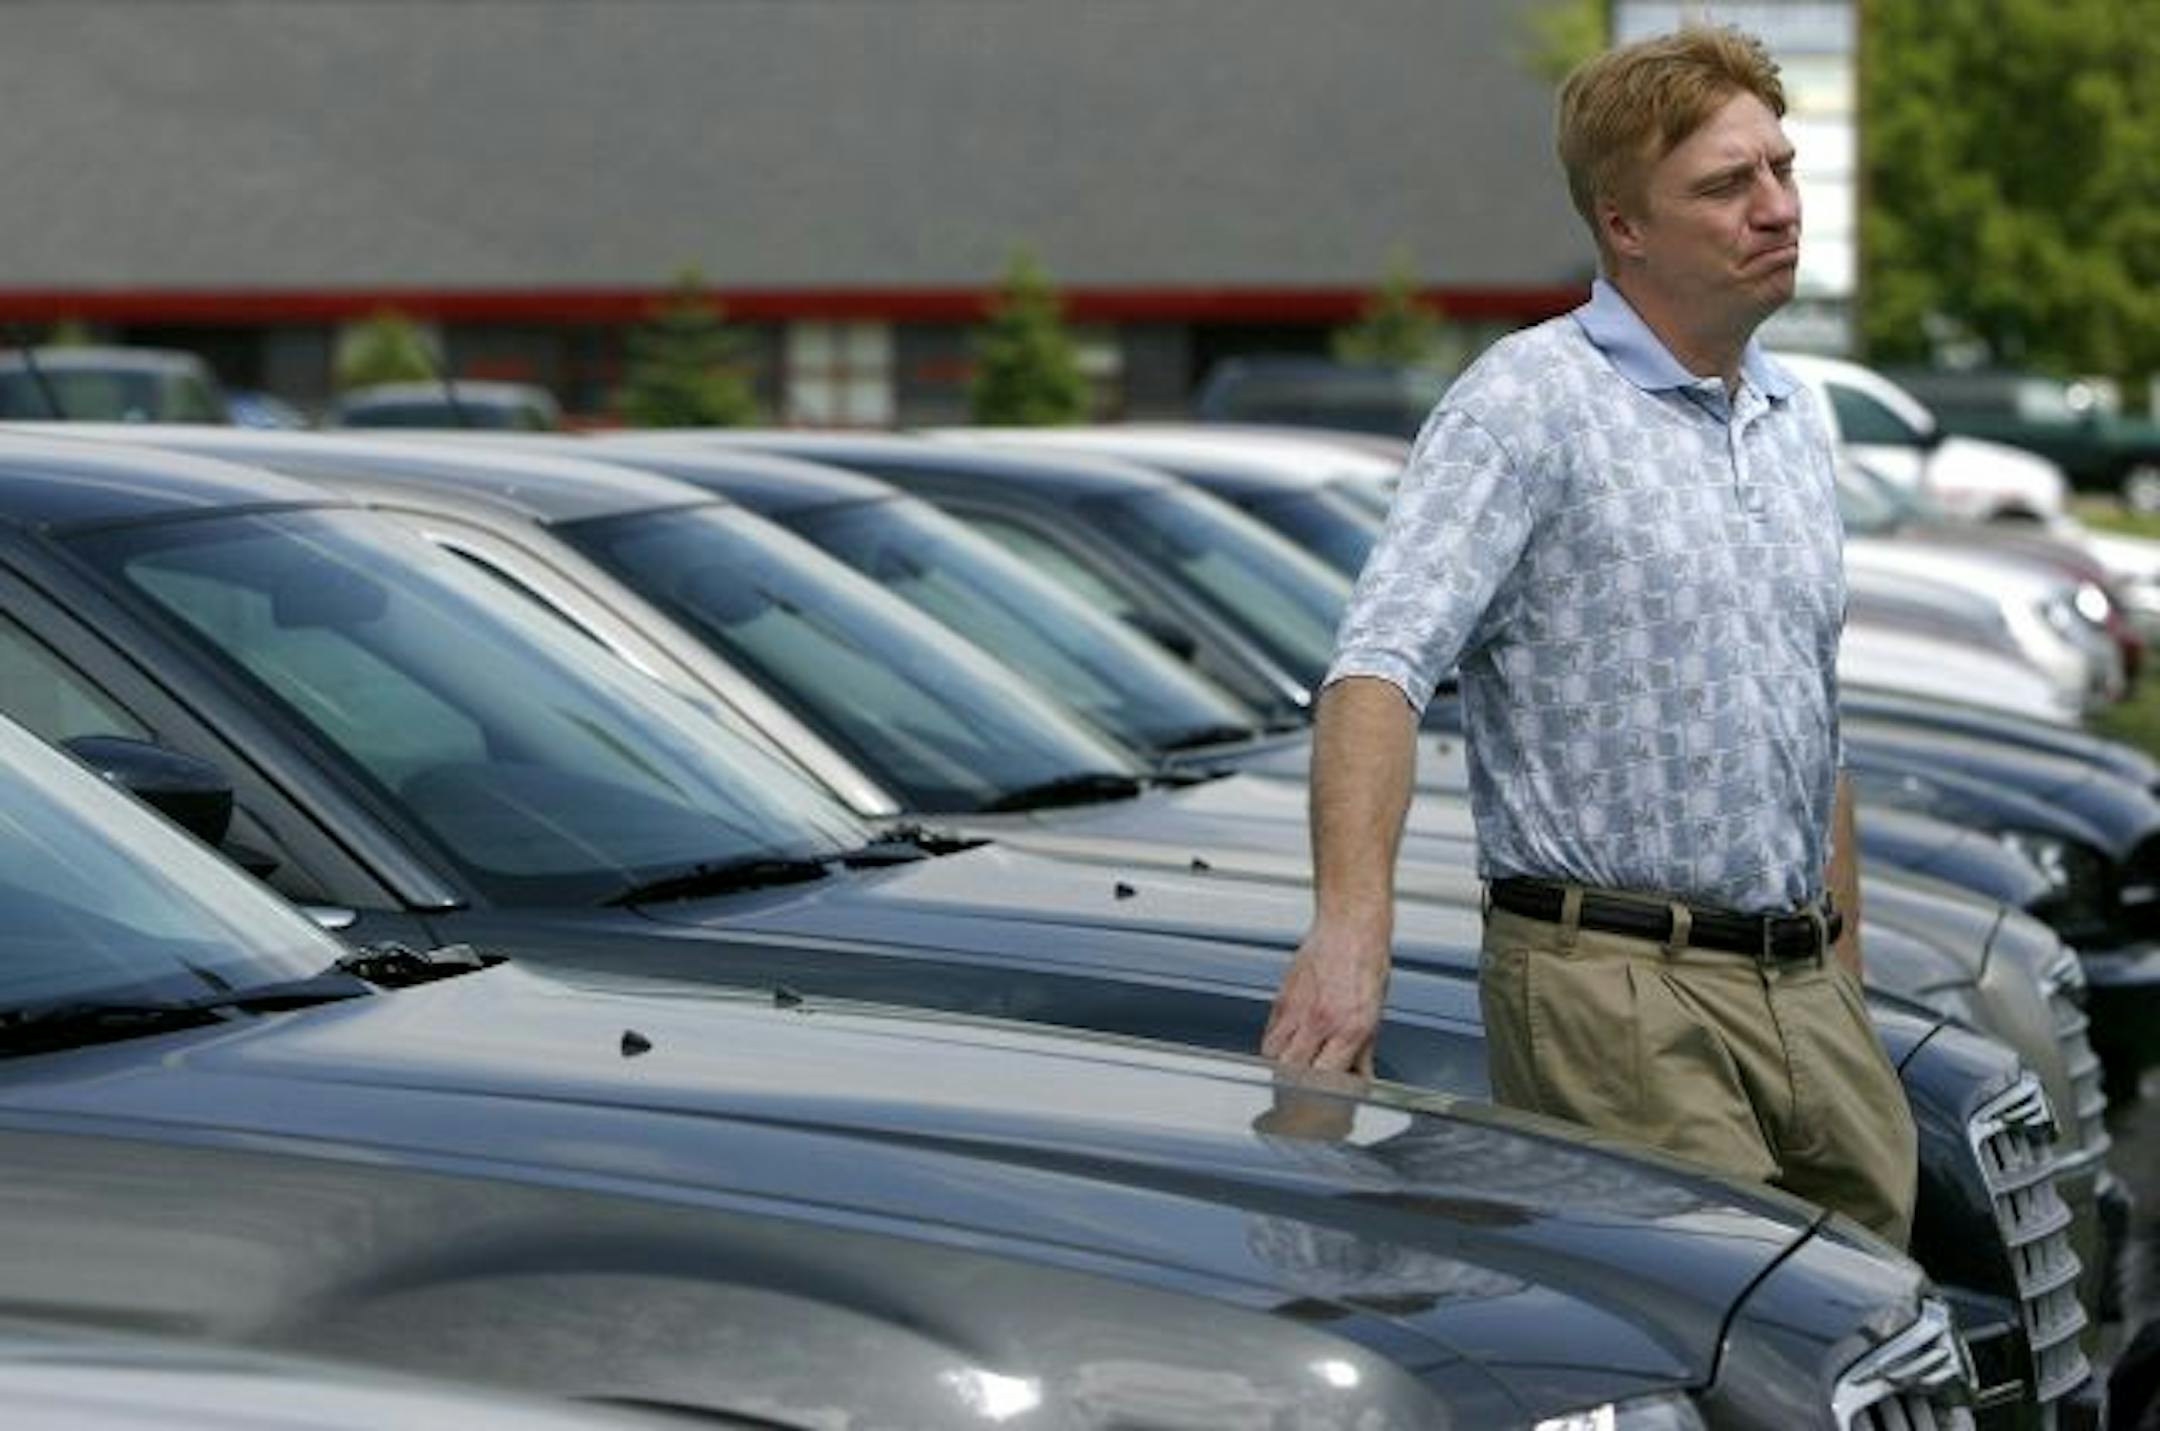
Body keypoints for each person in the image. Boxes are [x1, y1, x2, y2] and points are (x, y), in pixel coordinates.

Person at [1260, 25, 1917, 1246]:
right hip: (1615, 994)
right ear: (1624, 225)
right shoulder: (1525, 405)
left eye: (1781, 168)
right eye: (1727, 185)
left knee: (1871, 1318)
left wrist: (1845, 973)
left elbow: (1812, 719)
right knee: (1722, 1309)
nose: (1779, 207)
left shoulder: (1790, 414)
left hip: (1806, 991)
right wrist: (1350, 934)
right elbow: (1378, 670)